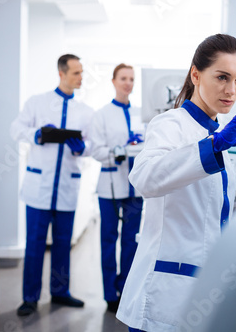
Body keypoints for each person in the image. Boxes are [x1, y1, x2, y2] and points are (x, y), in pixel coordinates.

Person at [116, 34, 236, 331]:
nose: (231, 90)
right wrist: (214, 147)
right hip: (164, 292)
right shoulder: (171, 124)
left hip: (199, 291)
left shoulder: (216, 133)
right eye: (222, 77)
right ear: (196, 75)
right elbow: (145, 179)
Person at [10, 54, 94, 316]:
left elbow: (92, 144)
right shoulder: (37, 103)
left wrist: (83, 149)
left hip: (67, 187)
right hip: (39, 188)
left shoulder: (85, 112)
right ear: (62, 73)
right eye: (76, 73)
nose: (81, 77)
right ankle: (30, 297)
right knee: (34, 244)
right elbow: (16, 129)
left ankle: (60, 292)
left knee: (62, 243)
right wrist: (36, 134)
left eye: (81, 72)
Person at [90, 63, 145, 313]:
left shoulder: (141, 114)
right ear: (113, 81)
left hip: (135, 188)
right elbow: (96, 150)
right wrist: (118, 151)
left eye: (132, 79)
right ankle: (110, 294)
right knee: (108, 240)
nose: (128, 83)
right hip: (110, 186)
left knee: (132, 242)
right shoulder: (101, 114)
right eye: (123, 78)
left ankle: (126, 289)